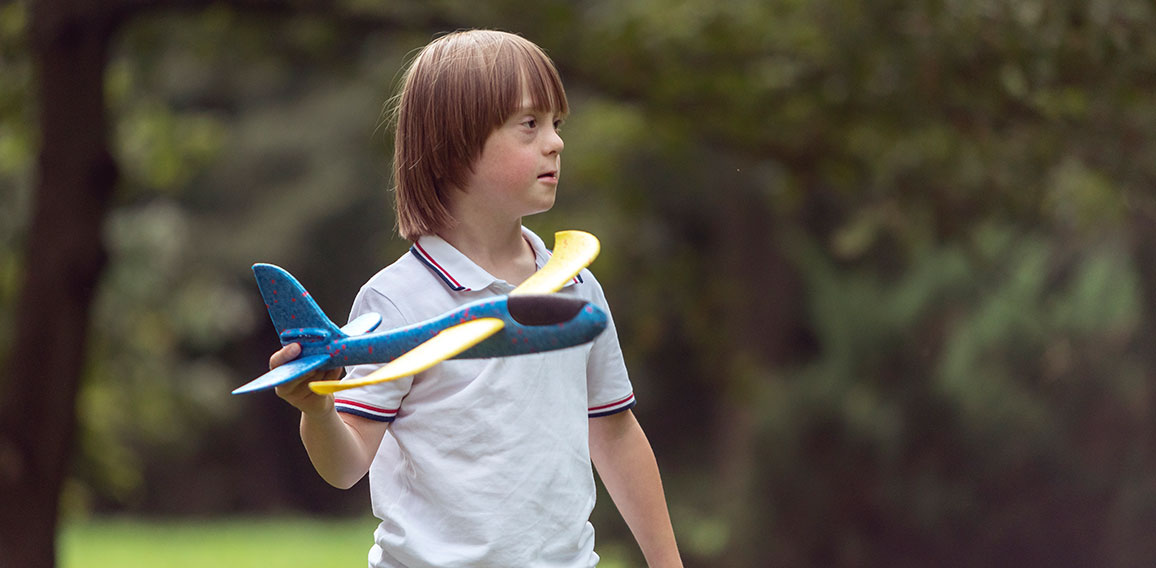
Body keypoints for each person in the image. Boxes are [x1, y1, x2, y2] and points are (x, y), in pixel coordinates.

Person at [269, 29, 682, 567]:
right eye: (530, 124)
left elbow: (616, 432)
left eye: (557, 124)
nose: (555, 142)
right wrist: (316, 409)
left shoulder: (575, 285)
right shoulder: (397, 300)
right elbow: (346, 466)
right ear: (453, 148)